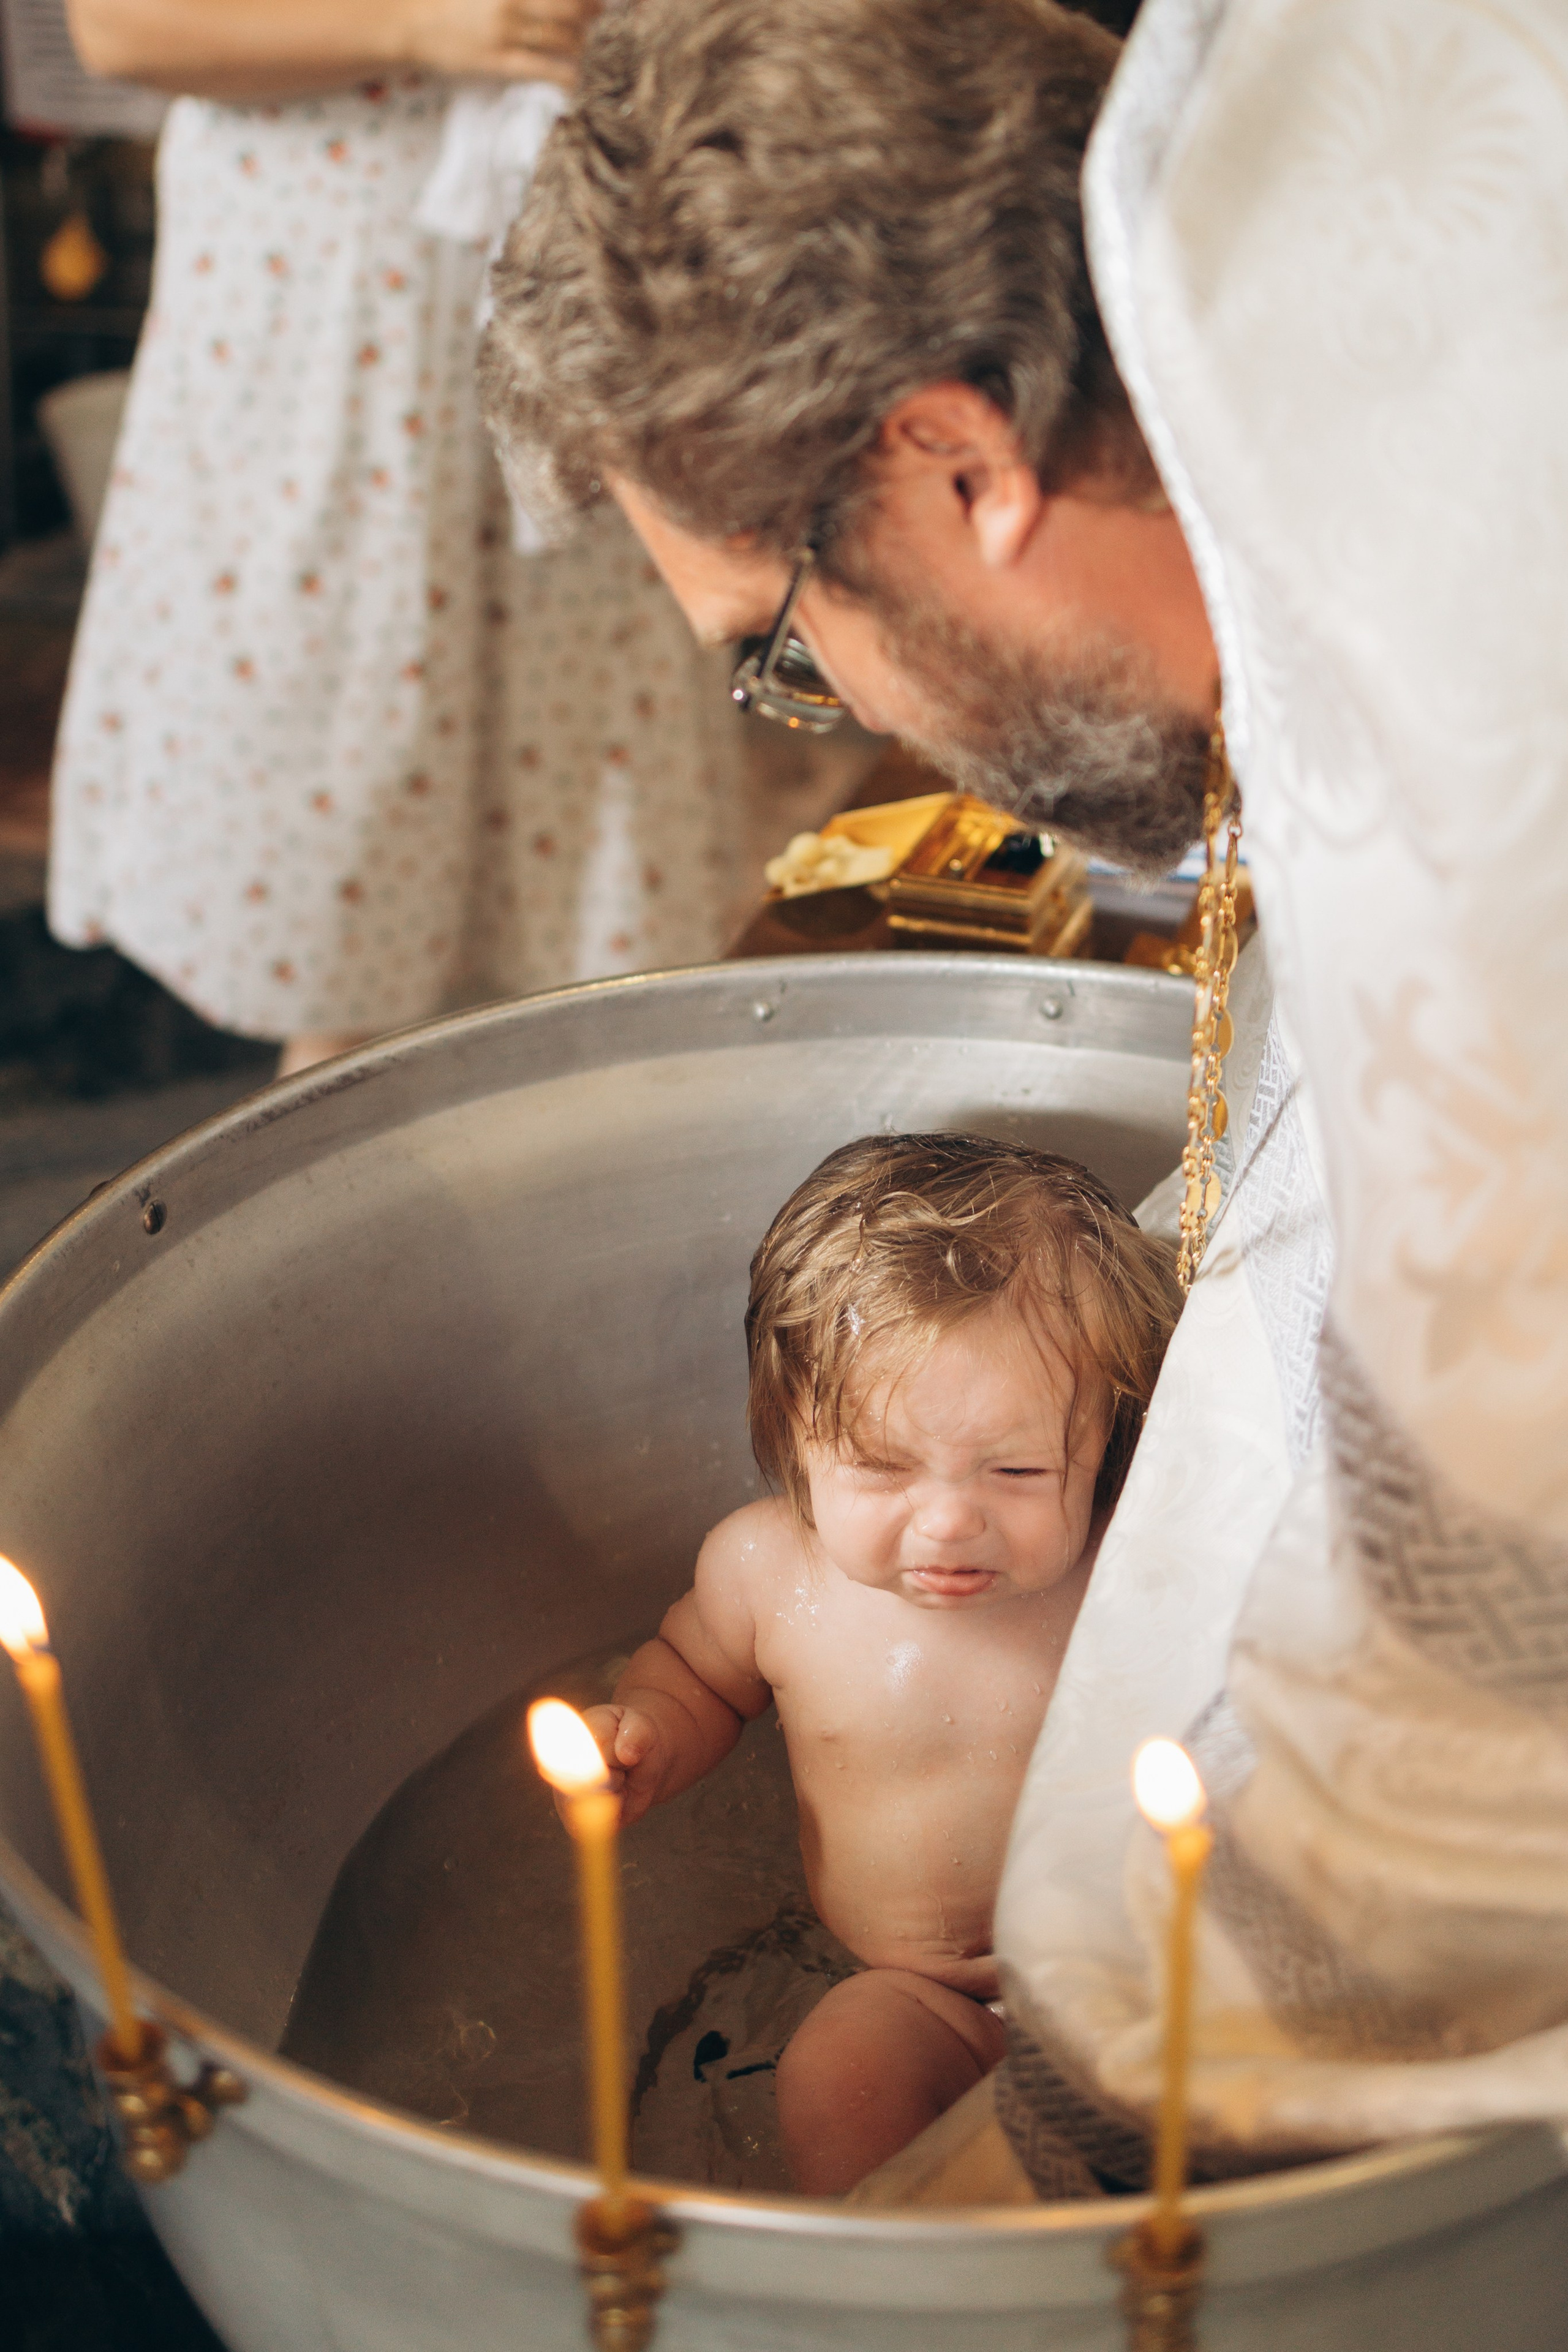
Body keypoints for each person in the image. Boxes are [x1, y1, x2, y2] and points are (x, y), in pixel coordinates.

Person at [483, 0, 1568, 2204]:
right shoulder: (1265, 245)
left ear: (958, 459)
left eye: (783, 642)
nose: (833, 712)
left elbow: (1486, 1673)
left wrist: (1036, 2174)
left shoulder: (1498, 796)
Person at [51, 1, 865, 1077]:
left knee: (597, 886)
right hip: (334, 331)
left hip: (587, 278)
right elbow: (120, 27)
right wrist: (424, 28)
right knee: (349, 855)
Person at [582, 1132, 1178, 2193]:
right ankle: (915, 2259)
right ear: (791, 1435)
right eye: (884, 1465)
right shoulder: (764, 1574)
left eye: (1018, 1469)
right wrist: (645, 1740)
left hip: (1139, 1975)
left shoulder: (1129, 1568)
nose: (948, 1520)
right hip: (923, 1999)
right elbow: (696, 1677)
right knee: (840, 2075)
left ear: (1108, 1442)